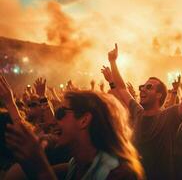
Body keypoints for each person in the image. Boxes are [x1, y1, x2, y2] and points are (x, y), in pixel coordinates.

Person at [3, 77, 144, 180]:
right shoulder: (76, 164)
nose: (55, 120)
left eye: (61, 113)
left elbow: (42, 173)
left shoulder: (119, 173)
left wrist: (41, 168)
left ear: (84, 120)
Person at [105, 43, 182, 179]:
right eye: (142, 86)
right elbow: (122, 89)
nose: (142, 89)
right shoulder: (138, 113)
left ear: (159, 95)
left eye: (149, 87)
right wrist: (113, 61)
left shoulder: (169, 116)